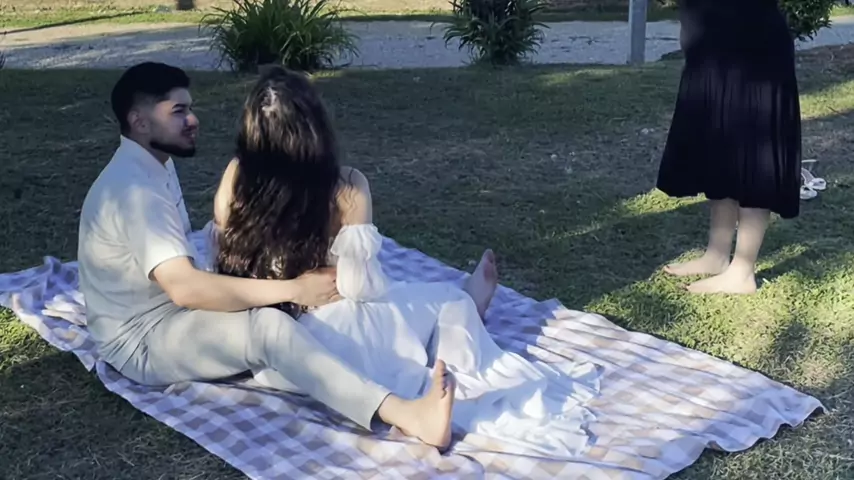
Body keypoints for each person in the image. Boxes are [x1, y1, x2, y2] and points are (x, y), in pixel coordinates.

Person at [212, 66, 600, 457]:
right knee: (445, 301)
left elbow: (225, 255)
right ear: (317, 130)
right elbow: (359, 288)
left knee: (414, 300)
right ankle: (469, 304)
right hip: (340, 338)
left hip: (274, 354)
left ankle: (460, 307)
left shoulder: (235, 176)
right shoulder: (345, 187)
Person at [77, 61, 458, 450]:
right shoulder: (135, 190)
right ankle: (409, 416)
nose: (193, 120)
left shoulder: (154, 164)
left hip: (168, 318)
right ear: (139, 122)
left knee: (279, 324)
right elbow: (185, 289)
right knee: (269, 329)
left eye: (190, 108)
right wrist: (294, 288)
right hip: (144, 340)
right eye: (178, 111)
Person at [657, 0, 802, 294]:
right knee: (719, 150)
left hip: (752, 46)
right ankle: (717, 255)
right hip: (711, 46)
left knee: (754, 154)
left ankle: (742, 272)